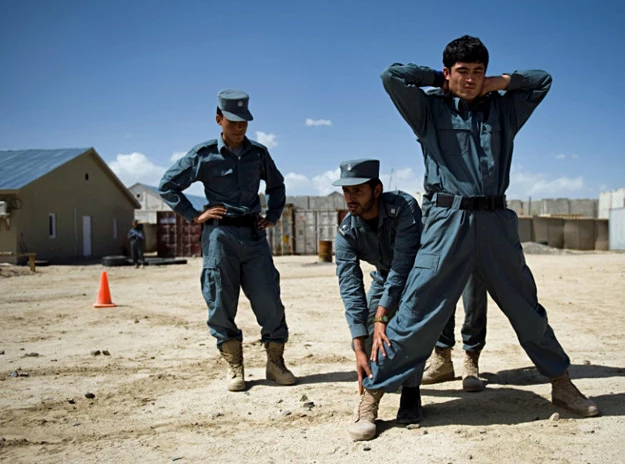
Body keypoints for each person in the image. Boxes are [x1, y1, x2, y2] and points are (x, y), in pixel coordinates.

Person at [350, 35, 599, 441]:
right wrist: (438, 79)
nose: (469, 80)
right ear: (449, 73)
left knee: (525, 307)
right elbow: (391, 76)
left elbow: (543, 80)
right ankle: (371, 397)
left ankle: (562, 384)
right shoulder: (428, 110)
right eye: (462, 72)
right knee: (416, 312)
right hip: (446, 223)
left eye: (477, 72)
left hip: (496, 223)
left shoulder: (505, 110)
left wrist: (499, 83)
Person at [158, 89, 295, 391]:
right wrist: (194, 215)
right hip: (220, 235)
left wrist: (272, 216)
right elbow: (167, 185)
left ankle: (275, 363)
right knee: (220, 299)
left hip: (254, 234)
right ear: (219, 119)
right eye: (232, 121)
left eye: (243, 121)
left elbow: (277, 185)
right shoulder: (204, 155)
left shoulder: (258, 154)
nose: (238, 127)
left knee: (269, 299)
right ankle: (235, 367)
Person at [333, 159, 423, 436]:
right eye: (346, 192)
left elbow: (404, 263)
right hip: (385, 277)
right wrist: (359, 342)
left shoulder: (403, 208)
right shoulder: (347, 231)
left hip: (419, 275)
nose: (350, 198)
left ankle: (411, 392)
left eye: (357, 191)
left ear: (376, 190)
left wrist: (384, 315)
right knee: (371, 332)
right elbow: (350, 286)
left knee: (408, 326)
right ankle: (367, 402)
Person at [423, 272, 488, 393]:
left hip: (474, 253)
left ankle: (471, 358)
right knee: (440, 293)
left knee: (473, 294)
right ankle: (442, 360)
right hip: (443, 253)